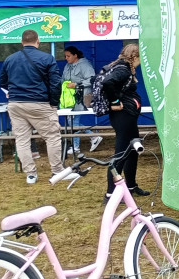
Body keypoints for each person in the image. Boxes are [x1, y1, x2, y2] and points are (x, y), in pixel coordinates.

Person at [0, 29, 67, 184]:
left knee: (22, 140)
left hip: (15, 104)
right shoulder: (47, 58)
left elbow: (2, 82)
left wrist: (11, 93)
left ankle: (31, 174)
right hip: (40, 104)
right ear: (38, 41)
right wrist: (54, 103)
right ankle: (57, 171)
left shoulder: (10, 59)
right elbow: (56, 84)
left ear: (22, 42)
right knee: (52, 137)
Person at [100, 44, 149, 201]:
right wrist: (114, 101)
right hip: (123, 116)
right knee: (121, 152)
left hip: (128, 115)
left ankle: (131, 186)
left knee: (133, 149)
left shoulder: (122, 67)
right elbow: (108, 82)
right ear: (134, 56)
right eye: (140, 58)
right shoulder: (123, 69)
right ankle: (110, 193)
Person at [61, 45, 103, 159]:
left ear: (75, 55)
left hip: (83, 95)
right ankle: (93, 136)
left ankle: (76, 147)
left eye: (68, 56)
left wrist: (76, 84)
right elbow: (63, 79)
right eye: (65, 56)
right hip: (70, 97)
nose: (66, 58)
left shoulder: (85, 65)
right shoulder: (67, 66)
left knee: (74, 120)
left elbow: (92, 79)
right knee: (72, 121)